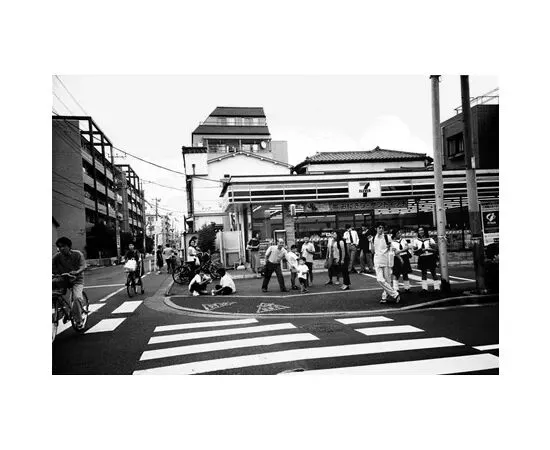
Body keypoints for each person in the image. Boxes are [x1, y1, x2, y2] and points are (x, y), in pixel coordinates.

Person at [52, 237, 87, 327]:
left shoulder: (77, 254)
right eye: (59, 247)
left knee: (77, 298)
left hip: (77, 279)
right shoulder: (57, 256)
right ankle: (64, 310)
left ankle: (78, 320)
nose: (61, 248)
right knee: (54, 293)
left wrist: (77, 271)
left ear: (69, 246)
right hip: (63, 278)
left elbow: (83, 266)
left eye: (63, 246)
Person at [373, 223, 400, 303]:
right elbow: (372, 250)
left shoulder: (387, 237)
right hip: (377, 261)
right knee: (380, 279)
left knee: (388, 281)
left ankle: (384, 297)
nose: (381, 229)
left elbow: (392, 248)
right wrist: (370, 242)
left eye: (382, 228)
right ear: (376, 229)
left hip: (386, 261)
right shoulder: (373, 238)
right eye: (379, 227)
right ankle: (395, 294)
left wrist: (398, 256)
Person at [413, 226, 441, 294]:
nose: (421, 232)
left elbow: (435, 249)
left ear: (425, 231)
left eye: (422, 230)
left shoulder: (430, 239)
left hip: (430, 256)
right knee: (423, 273)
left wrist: (428, 248)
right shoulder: (416, 240)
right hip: (422, 257)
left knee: (433, 272)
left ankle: (437, 288)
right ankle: (424, 288)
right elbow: (414, 249)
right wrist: (417, 250)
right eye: (419, 230)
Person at [390, 229, 412, 293]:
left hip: (405, 257)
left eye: (400, 233)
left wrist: (400, 251)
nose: (400, 234)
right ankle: (396, 288)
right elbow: (394, 252)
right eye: (398, 233)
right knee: (396, 273)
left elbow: (407, 247)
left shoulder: (403, 240)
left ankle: (407, 288)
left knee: (405, 273)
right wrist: (400, 254)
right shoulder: (391, 242)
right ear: (394, 234)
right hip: (396, 258)